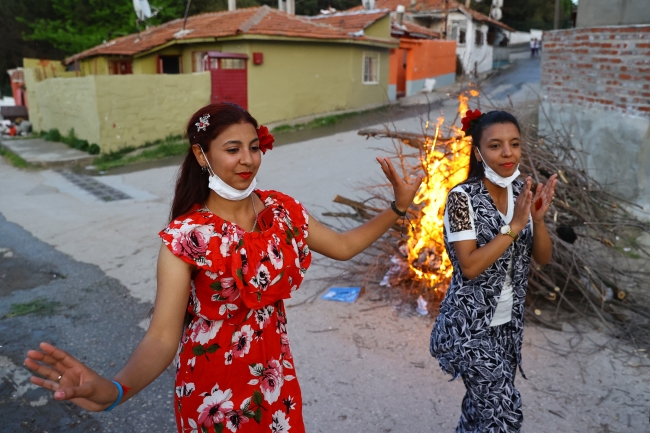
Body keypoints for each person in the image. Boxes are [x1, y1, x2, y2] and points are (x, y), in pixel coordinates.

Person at [24, 102, 423, 433]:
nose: (248, 160)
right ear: (202, 155)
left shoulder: (282, 211)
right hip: (213, 396)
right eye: (232, 149)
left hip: (275, 382)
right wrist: (115, 390)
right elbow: (163, 338)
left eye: (254, 146)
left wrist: (397, 207)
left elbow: (342, 245)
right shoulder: (186, 238)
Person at [429, 109, 557, 432]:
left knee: (478, 413)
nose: (507, 153)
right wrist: (513, 227)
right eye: (495, 145)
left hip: (507, 329)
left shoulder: (521, 194)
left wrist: (537, 221)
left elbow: (543, 257)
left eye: (514, 144)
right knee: (504, 414)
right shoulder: (461, 199)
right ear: (478, 152)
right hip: (468, 330)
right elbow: (469, 266)